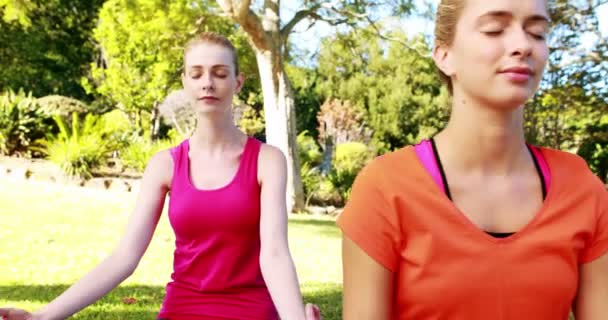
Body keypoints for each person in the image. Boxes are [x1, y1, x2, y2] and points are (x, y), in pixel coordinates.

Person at [0, 32, 321, 320]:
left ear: (238, 82)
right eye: (197, 74)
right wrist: (43, 316)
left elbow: (275, 254)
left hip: (251, 311)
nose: (207, 82)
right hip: (182, 308)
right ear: (185, 82)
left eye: (220, 74)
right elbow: (125, 257)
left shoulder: (267, 161)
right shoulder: (164, 165)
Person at [337, 0, 608, 319]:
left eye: (537, 32)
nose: (522, 45)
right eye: (494, 29)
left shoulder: (580, 186)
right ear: (444, 55)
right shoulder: (385, 188)